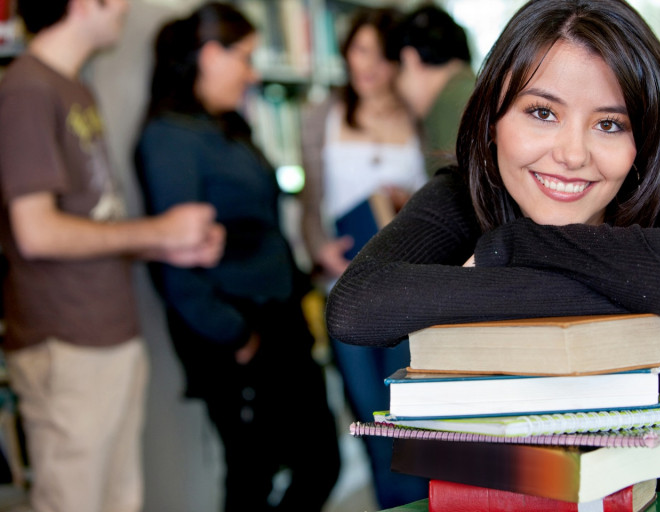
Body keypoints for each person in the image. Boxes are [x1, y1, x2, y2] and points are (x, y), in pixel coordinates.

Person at [327, 0, 660, 508]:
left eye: (610, 124)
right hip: (554, 477)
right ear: (492, 115)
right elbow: (356, 306)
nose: (572, 154)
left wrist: (514, 247)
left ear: (641, 140)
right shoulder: (466, 191)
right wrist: (649, 294)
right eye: (542, 113)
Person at [0, 1, 225, 511]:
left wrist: (165, 243)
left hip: (105, 336)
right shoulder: (27, 90)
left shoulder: (71, 85)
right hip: (66, 343)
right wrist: (158, 228)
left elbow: (91, 224)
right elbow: (35, 233)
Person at [134, 3, 340, 511]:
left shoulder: (225, 126)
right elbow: (173, 256)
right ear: (207, 55)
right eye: (243, 58)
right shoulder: (170, 139)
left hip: (279, 317)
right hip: (238, 331)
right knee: (252, 475)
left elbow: (256, 228)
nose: (251, 74)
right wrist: (235, 335)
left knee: (318, 462)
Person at [299, 6, 428, 508]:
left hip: (407, 297)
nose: (368, 64)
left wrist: (405, 204)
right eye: (358, 49)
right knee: (369, 417)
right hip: (345, 291)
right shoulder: (321, 117)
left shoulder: (417, 118)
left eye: (381, 53)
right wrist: (317, 249)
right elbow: (311, 203)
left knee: (413, 421)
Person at [386, 3, 475, 175]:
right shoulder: (474, 89)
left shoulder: (447, 106)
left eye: (397, 74)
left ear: (410, 59)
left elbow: (448, 197)